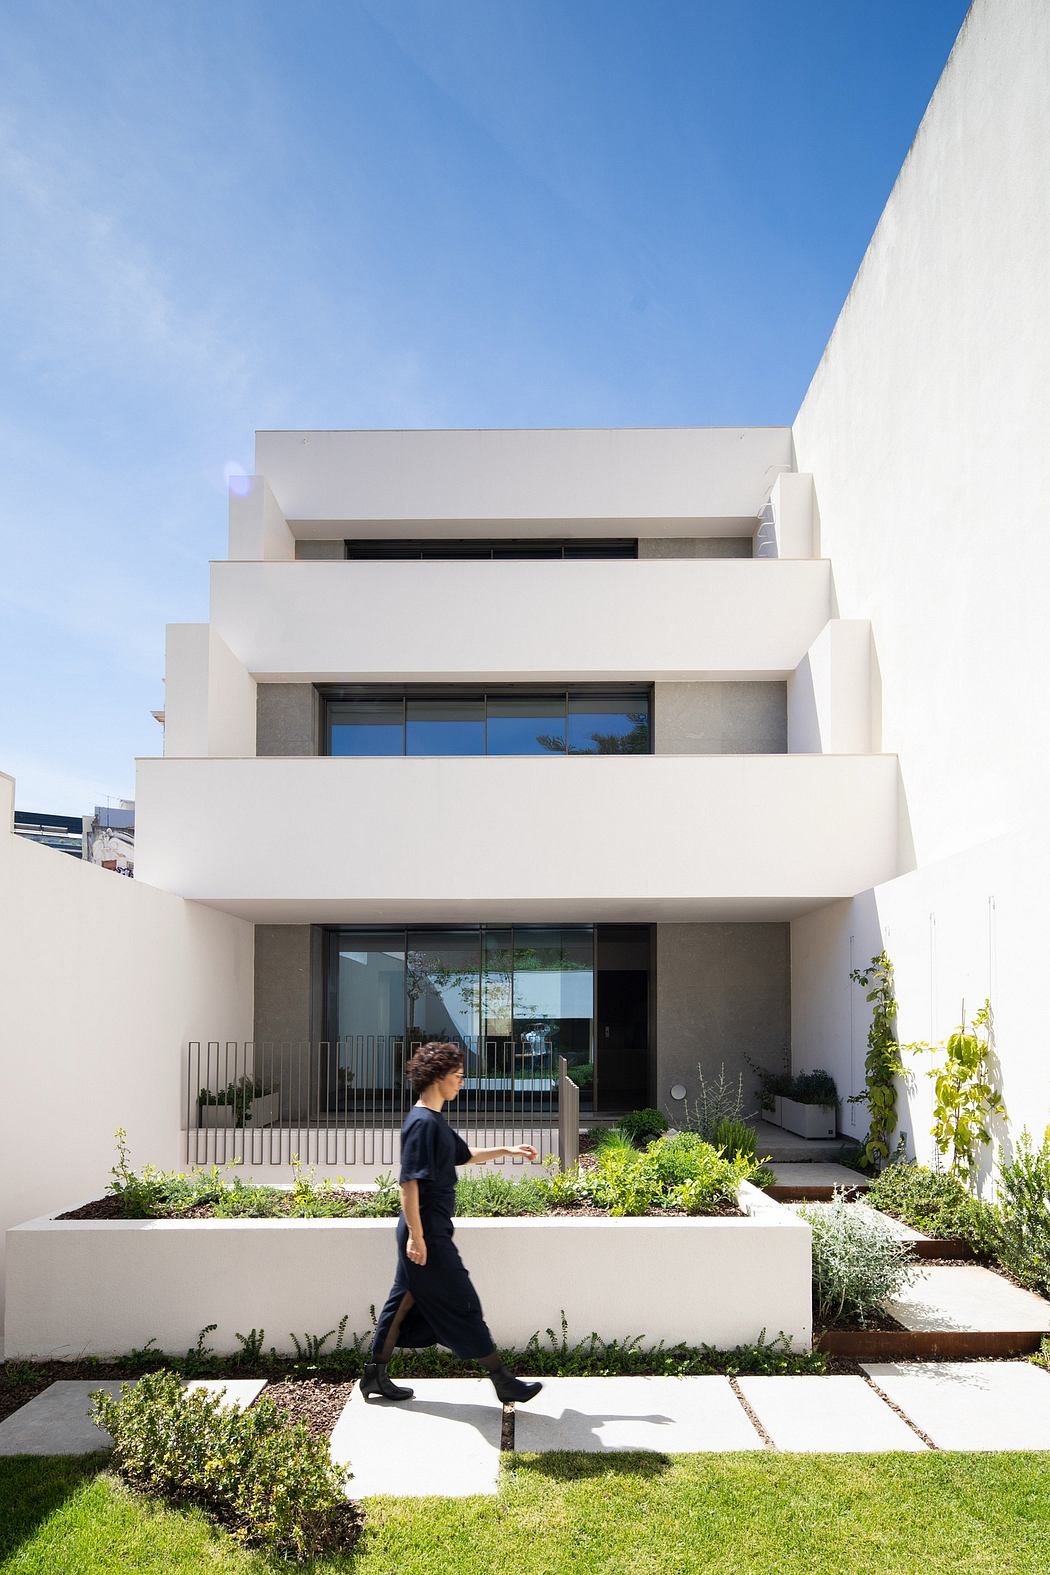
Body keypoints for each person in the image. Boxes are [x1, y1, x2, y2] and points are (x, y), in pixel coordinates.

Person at [361, 1040, 543, 1405]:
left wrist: (507, 1150)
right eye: (457, 1076)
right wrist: (417, 1236)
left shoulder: (433, 1121)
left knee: (402, 1303)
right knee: (463, 1301)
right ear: (439, 1077)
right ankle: (502, 1379)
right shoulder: (421, 1123)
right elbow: (408, 1182)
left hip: (428, 1229)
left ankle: (374, 1376)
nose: (461, 1082)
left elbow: (463, 1155)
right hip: (425, 1231)